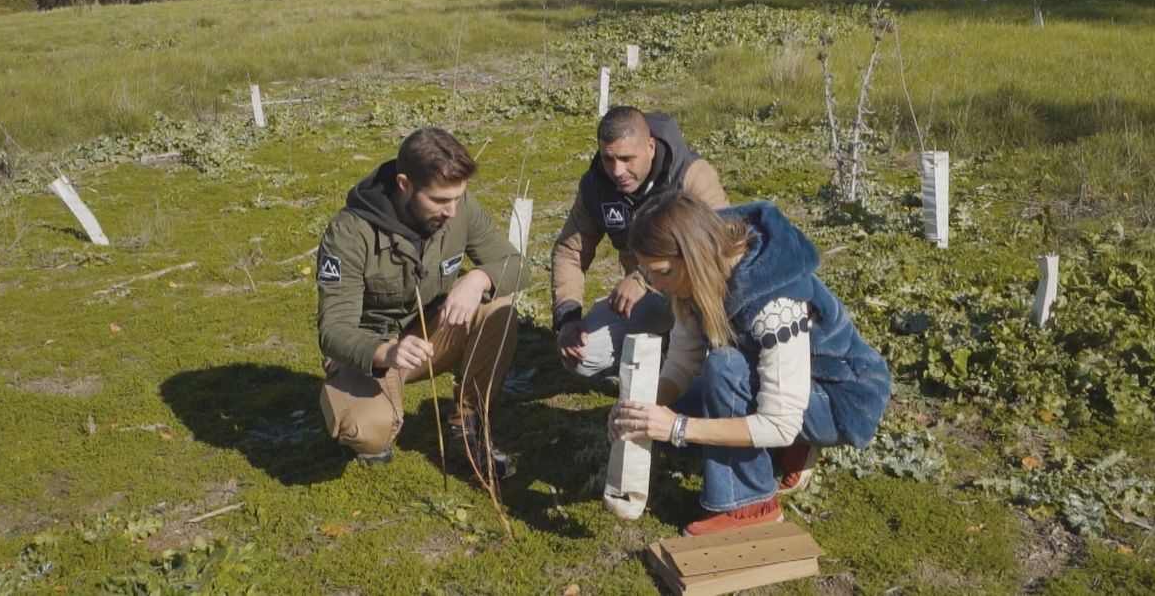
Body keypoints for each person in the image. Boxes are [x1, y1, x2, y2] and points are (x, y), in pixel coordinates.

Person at [610, 190, 891, 536]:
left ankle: (750, 504)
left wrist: (677, 427)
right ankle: (791, 450)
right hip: (782, 380)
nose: (655, 284)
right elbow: (684, 360)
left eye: (663, 272)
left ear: (693, 257)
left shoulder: (775, 301)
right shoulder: (696, 280)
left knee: (724, 368)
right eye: (649, 273)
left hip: (839, 400)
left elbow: (780, 422)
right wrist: (641, 408)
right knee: (685, 400)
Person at [315, 127, 529, 482]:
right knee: (369, 433)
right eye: (440, 200)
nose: (451, 211)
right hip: (374, 353)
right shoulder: (349, 233)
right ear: (404, 184)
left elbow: (517, 265)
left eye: (458, 198)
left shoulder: (460, 209)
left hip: (433, 335)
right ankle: (355, 405)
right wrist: (386, 352)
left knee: (498, 309)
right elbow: (333, 330)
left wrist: (479, 279)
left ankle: (469, 425)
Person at [551, 106, 728, 378]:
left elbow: (719, 242)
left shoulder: (691, 175)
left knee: (713, 366)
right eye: (608, 159)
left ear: (650, 147)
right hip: (652, 298)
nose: (617, 170)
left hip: (697, 291)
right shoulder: (596, 186)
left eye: (626, 158)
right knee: (581, 357)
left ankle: (689, 361)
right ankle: (662, 358)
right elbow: (570, 252)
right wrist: (568, 314)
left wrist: (642, 277)